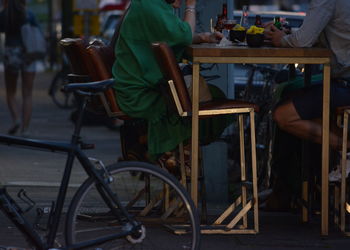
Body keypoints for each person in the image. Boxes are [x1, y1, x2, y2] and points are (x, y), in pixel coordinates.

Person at [113, 0, 230, 159]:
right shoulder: (152, 7)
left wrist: (203, 37)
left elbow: (175, 36)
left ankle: (163, 150)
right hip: (141, 94)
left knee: (211, 96)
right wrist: (190, 6)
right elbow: (184, 35)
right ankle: (174, 153)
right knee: (210, 100)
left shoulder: (149, 4)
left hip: (137, 86)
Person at [262, 0, 350, 210]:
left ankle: (344, 147)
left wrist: (282, 39)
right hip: (341, 83)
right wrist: (287, 34)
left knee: (283, 114)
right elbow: (315, 34)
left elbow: (302, 41)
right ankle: (293, 190)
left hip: (345, 86)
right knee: (292, 92)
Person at [0, 0, 40, 136]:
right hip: (29, 54)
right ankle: (26, 128)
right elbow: (37, 32)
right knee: (27, 93)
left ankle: (16, 119)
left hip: (11, 53)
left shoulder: (4, 14)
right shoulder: (29, 14)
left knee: (11, 92)